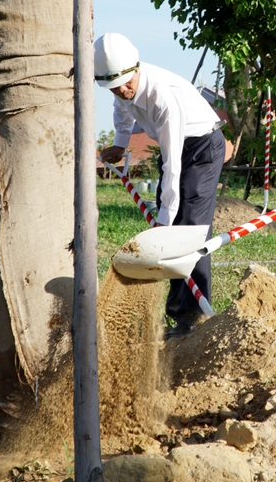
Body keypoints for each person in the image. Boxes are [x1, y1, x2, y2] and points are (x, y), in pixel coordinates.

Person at [95, 33, 226, 338]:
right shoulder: (120, 87)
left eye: (126, 82)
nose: (122, 90)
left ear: (137, 67)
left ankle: (191, 317)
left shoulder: (162, 97)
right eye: (114, 87)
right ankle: (178, 312)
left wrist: (163, 228)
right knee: (172, 223)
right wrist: (120, 143)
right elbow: (121, 110)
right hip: (178, 148)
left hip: (201, 146)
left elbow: (173, 166)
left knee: (189, 227)